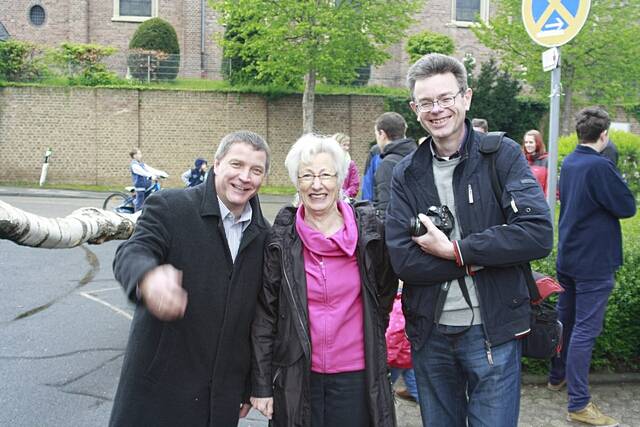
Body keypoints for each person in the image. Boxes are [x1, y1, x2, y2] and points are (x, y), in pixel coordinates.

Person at [385, 53, 553, 427]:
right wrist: (482, 258)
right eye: (427, 102)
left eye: (446, 98)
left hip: (492, 331)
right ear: (415, 109)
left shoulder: (501, 155)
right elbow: (403, 260)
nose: (437, 109)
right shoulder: (406, 173)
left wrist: (456, 250)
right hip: (431, 333)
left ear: (466, 98)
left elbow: (537, 234)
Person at [110, 131, 271, 427]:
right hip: (157, 393)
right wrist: (147, 277)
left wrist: (249, 385)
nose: (244, 177)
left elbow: (258, 317)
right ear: (217, 163)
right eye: (236, 164)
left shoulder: (265, 236)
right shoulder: (170, 207)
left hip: (219, 400)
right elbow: (133, 251)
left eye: (256, 170)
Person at [250, 134, 398, 427]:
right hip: (298, 376)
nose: (317, 185)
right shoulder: (281, 239)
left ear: (340, 179)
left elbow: (383, 294)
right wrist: (262, 384)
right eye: (307, 175)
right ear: (297, 182)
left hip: (357, 376)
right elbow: (266, 315)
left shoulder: (370, 235)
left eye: (326, 175)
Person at [548, 107, 635, 426]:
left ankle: (556, 376)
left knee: (565, 321)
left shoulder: (570, 161)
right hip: (594, 261)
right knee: (585, 329)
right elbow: (627, 206)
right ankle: (579, 404)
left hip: (569, 255)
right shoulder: (599, 166)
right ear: (604, 135)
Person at [373, 112, 417, 218]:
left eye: (376, 135)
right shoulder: (417, 156)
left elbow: (386, 206)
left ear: (382, 134)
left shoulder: (388, 164)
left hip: (398, 228)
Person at [333, 132, 360, 198]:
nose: (347, 148)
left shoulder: (350, 164)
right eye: (344, 145)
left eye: (348, 145)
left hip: (345, 200)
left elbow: (355, 184)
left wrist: (346, 195)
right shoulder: (328, 162)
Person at [522, 130, 549, 195]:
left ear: (538, 143)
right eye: (526, 142)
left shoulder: (546, 161)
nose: (528, 145)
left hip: (540, 201)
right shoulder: (521, 160)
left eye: (531, 142)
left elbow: (549, 186)